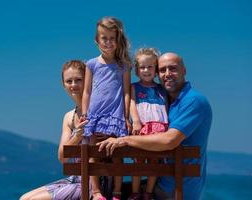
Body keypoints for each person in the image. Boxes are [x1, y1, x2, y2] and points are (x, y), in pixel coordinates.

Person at [97, 52, 212, 200]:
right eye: (163, 70)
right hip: (165, 181)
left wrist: (125, 140)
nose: (167, 74)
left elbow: (170, 140)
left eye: (173, 69)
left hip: (176, 190)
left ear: (184, 71)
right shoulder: (168, 100)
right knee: (112, 191)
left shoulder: (193, 100)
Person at [19, 60, 90, 200]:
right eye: (69, 81)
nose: (74, 85)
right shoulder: (69, 117)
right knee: (24, 198)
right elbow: (63, 157)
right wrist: (77, 136)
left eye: (78, 80)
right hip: (75, 180)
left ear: (87, 81)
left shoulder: (97, 111)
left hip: (93, 184)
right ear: (63, 85)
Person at [81, 16, 132, 200]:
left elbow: (127, 92)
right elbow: (86, 91)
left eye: (112, 38)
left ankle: (117, 192)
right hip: (95, 116)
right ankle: (96, 192)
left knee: (117, 154)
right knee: (94, 153)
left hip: (115, 117)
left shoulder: (124, 65)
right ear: (97, 40)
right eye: (104, 38)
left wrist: (126, 116)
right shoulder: (91, 64)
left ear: (118, 40)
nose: (108, 42)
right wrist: (85, 115)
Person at [128, 48, 169, 200]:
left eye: (150, 66)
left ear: (156, 69)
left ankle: (148, 192)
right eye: (142, 67)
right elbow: (132, 104)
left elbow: (165, 108)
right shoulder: (134, 87)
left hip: (159, 128)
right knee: (138, 161)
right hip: (142, 126)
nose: (146, 70)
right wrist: (136, 121)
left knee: (154, 161)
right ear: (137, 70)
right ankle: (135, 191)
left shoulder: (161, 89)